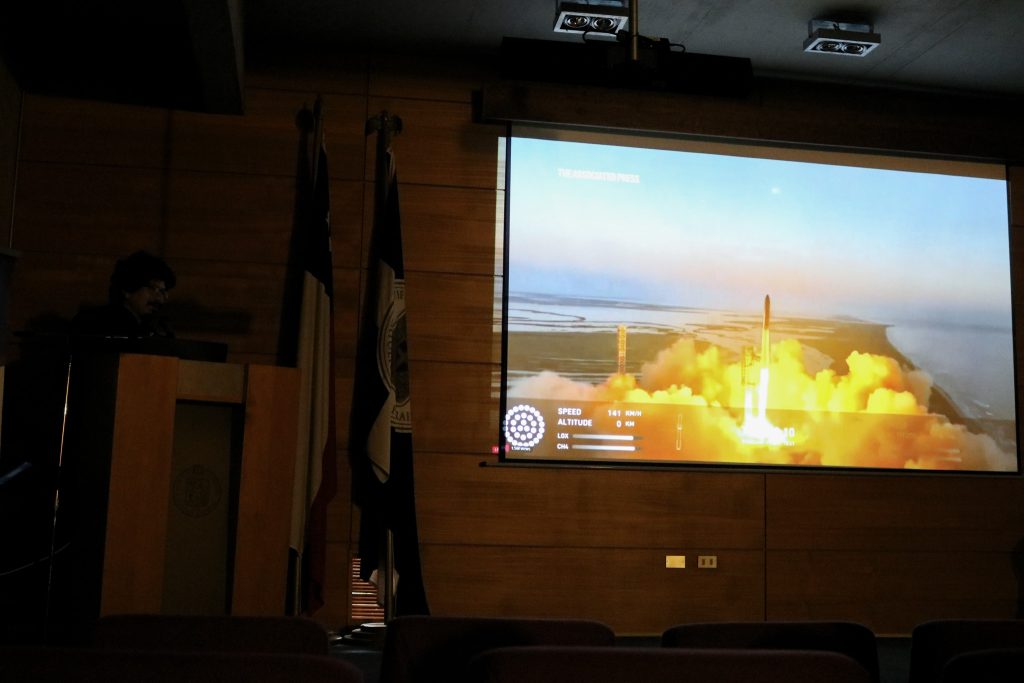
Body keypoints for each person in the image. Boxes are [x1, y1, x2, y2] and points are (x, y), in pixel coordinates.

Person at [71, 251, 176, 338]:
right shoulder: (95, 323)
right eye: (154, 289)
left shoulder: (152, 330)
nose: (160, 299)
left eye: (163, 292)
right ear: (128, 289)